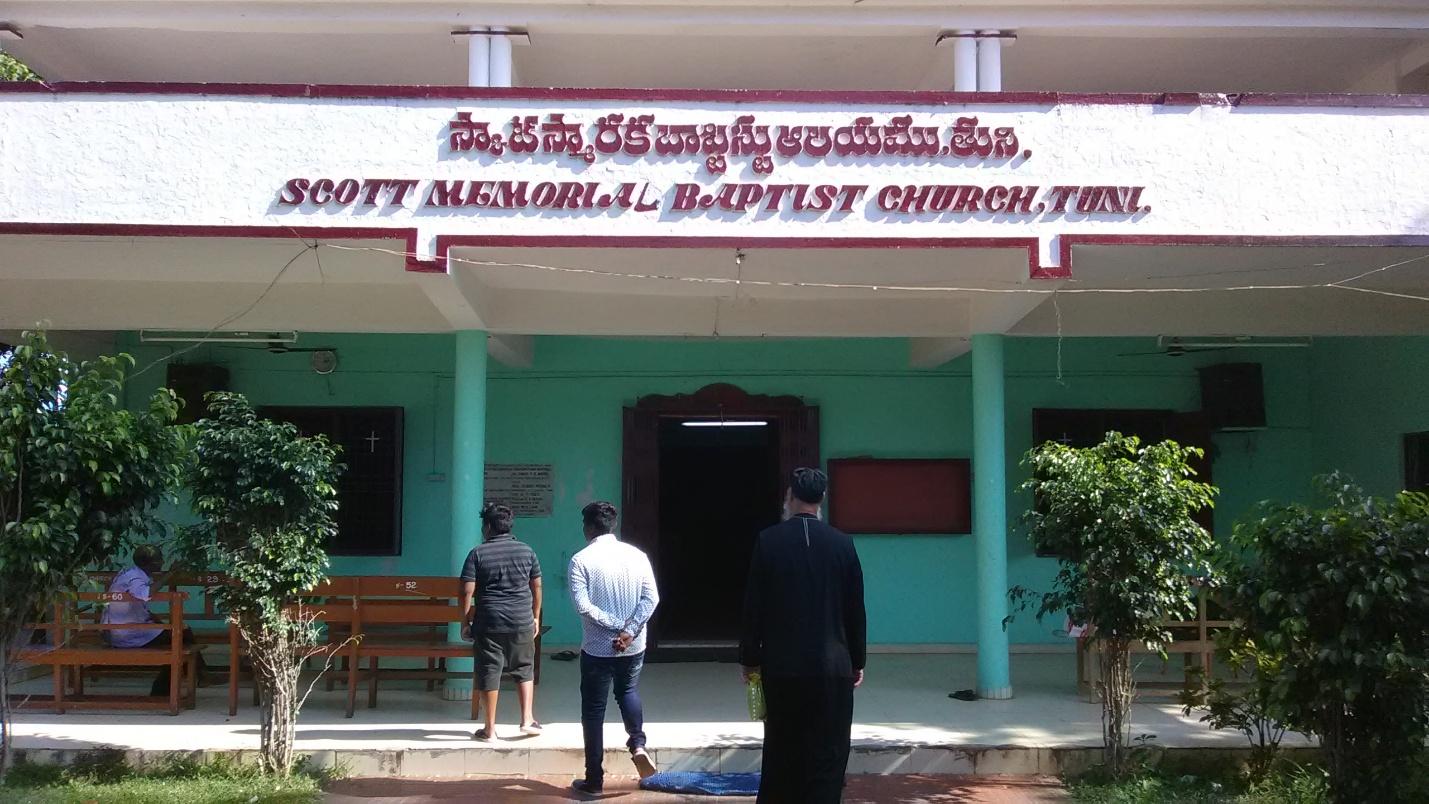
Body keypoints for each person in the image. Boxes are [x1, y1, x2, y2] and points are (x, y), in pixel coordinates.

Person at [740, 467, 867, 804]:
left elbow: (754, 607)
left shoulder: (769, 541)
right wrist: (857, 660)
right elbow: (855, 609)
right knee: (829, 752)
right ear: (822, 499)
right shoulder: (842, 544)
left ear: (790, 497)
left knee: (782, 751)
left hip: (782, 668)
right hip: (833, 668)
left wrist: (750, 659)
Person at [568, 501, 661, 795]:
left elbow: (583, 606)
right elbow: (651, 598)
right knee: (628, 692)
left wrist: (615, 626)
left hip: (598, 647)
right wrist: (629, 630)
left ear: (589, 527)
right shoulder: (638, 556)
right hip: (633, 645)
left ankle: (594, 780)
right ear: (613, 526)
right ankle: (638, 743)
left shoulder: (580, 560)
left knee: (594, 711)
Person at [460, 502, 543, 741]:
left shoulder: (477, 553)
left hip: (489, 621)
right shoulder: (527, 551)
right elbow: (536, 585)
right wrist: (535, 616)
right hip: (521, 619)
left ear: (487, 526)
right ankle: (527, 720)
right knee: (524, 667)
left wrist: (465, 621)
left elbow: (466, 591)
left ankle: (490, 728)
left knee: (489, 671)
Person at [102, 544, 205, 697]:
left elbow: (137, 606)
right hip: (128, 635)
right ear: (150, 564)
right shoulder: (135, 578)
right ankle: (199, 676)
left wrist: (154, 619)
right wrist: (171, 573)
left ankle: (166, 688)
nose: (162, 562)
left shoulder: (130, 573)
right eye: (159, 560)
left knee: (179, 642)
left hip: (123, 630)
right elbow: (146, 594)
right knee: (182, 637)